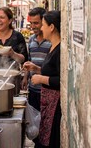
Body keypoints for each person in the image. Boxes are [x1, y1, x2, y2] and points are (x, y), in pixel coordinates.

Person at [23, 10, 61, 148]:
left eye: (43, 24)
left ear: (51, 27)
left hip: (54, 105)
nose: (41, 28)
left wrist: (41, 79)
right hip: (47, 102)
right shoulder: (53, 46)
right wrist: (36, 69)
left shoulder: (60, 49)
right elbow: (50, 72)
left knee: (49, 140)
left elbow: (60, 80)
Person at [22, 7, 51, 111]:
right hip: (33, 88)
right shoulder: (31, 39)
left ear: (44, 22)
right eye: (31, 23)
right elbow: (29, 60)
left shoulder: (51, 41)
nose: (33, 27)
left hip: (47, 89)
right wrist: (25, 77)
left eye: (36, 23)